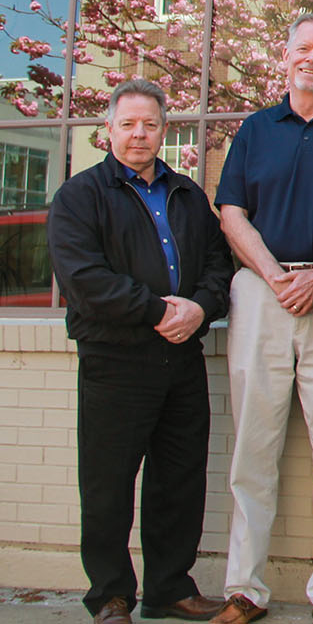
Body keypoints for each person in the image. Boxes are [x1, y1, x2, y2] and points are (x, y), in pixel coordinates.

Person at [210, 13, 313, 624]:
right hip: (261, 291)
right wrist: (276, 277)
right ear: (285, 58)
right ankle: (244, 590)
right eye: (303, 49)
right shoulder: (255, 129)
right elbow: (231, 211)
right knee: (254, 446)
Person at [47, 79, 233, 624]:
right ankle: (110, 595)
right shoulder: (80, 196)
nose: (138, 134)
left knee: (179, 480)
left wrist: (199, 309)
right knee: (108, 485)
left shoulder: (188, 195)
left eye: (149, 124)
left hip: (181, 361)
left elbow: (219, 265)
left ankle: (169, 588)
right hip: (115, 360)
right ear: (107, 130)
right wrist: (159, 312)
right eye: (127, 124)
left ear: (164, 131)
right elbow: (84, 280)